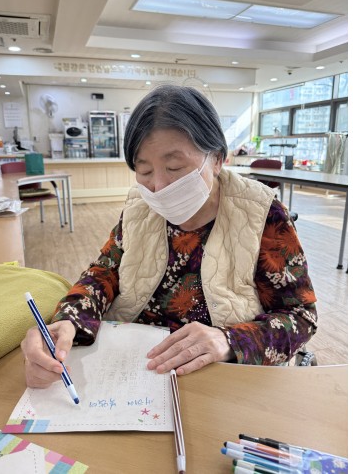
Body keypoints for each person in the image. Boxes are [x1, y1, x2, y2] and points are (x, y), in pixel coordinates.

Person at [21, 84, 317, 389]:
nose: (159, 187)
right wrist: (68, 321)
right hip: (134, 370)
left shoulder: (261, 213)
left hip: (218, 379)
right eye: (144, 171)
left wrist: (228, 340)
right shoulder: (139, 207)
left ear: (217, 158)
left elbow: (300, 316)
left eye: (174, 167)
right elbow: (104, 273)